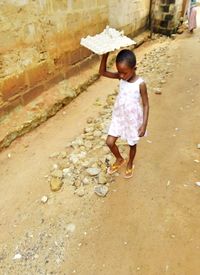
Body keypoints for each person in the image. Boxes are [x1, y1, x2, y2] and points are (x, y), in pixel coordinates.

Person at [99, 49, 149, 179]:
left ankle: (130, 163)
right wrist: (105, 54)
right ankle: (120, 159)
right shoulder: (121, 77)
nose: (121, 75)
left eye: (124, 72)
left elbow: (146, 104)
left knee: (132, 144)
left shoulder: (140, 84)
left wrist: (143, 125)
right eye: (119, 72)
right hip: (119, 117)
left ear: (134, 68)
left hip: (132, 119)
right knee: (110, 142)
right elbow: (102, 72)